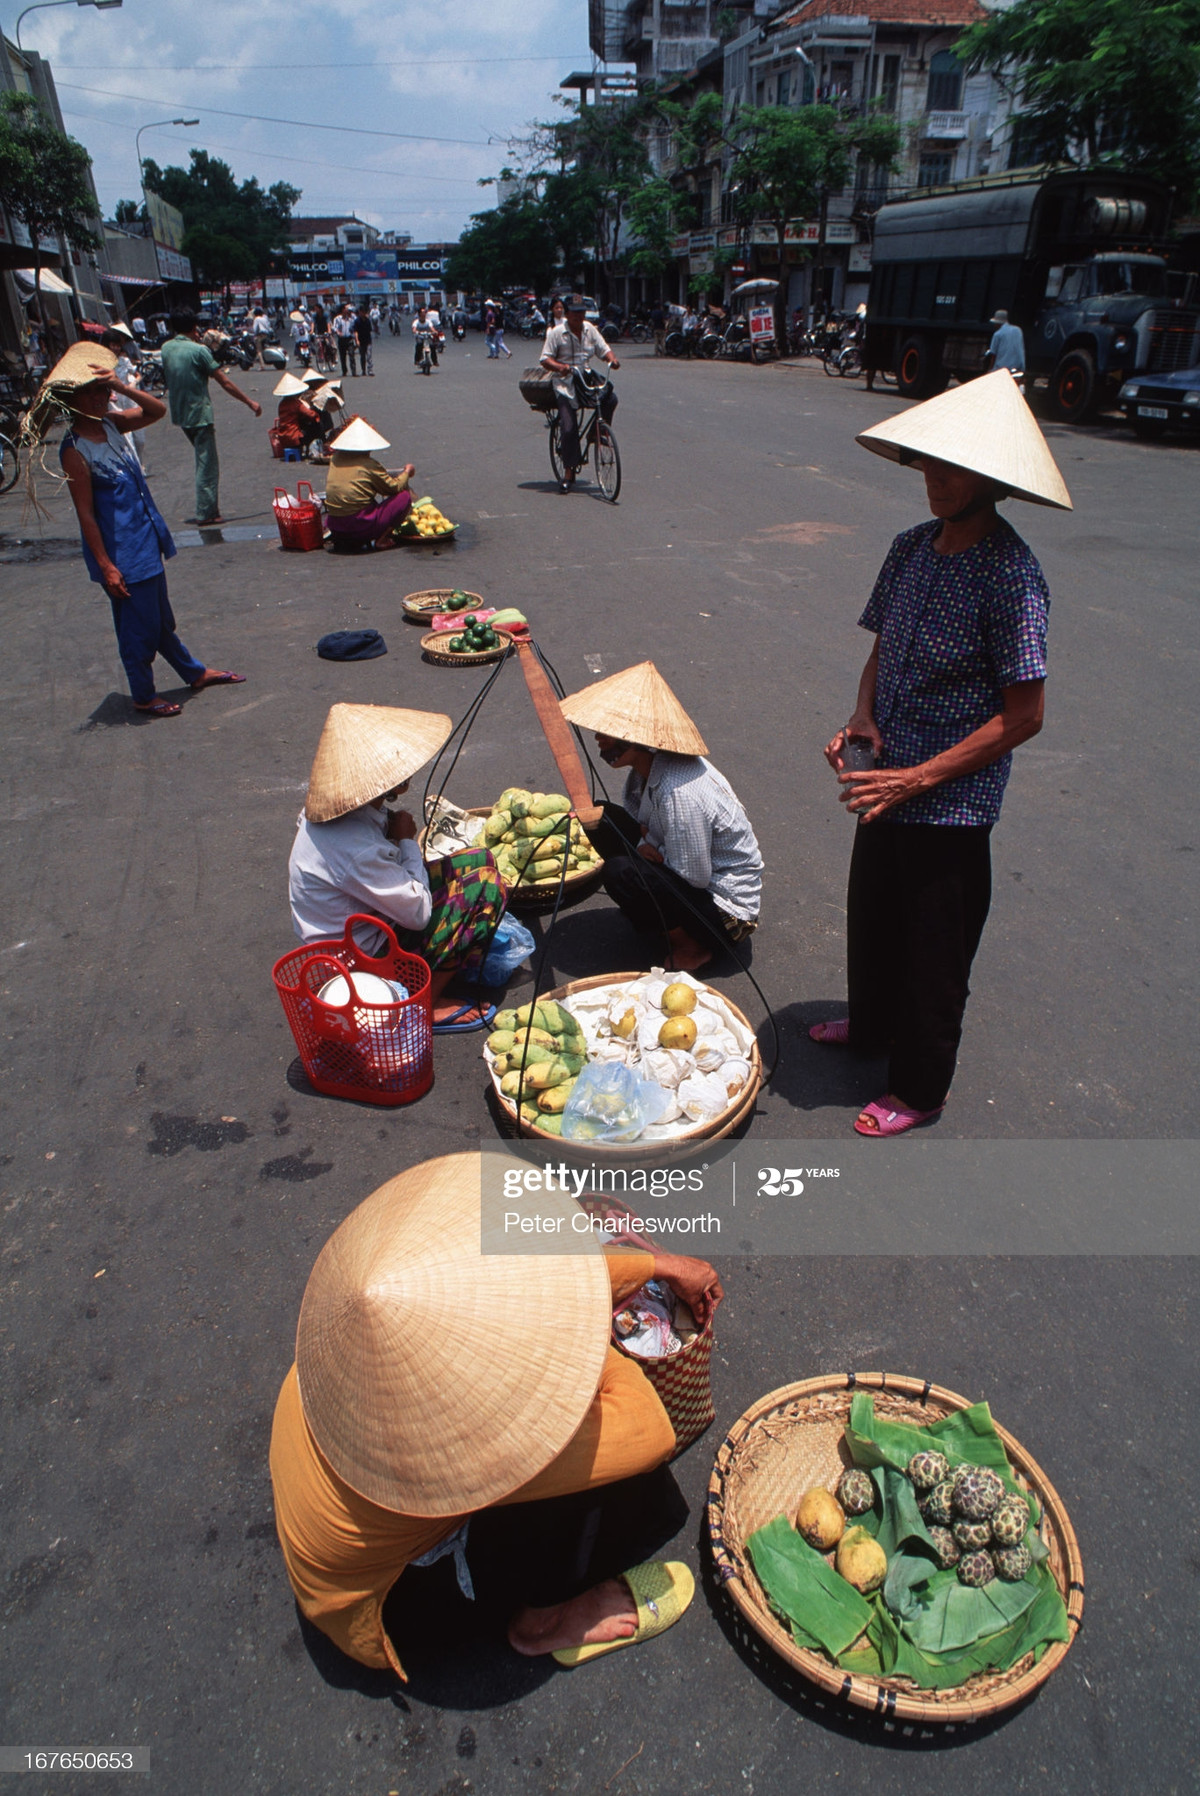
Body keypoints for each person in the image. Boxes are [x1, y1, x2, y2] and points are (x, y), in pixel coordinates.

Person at [270, 1153, 721, 1674]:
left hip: (336, 1558)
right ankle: (545, 1623)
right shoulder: (452, 1435)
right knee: (600, 1478)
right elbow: (648, 1432)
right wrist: (580, 1329)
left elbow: (520, 1272)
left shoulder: (348, 1339)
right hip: (396, 1605)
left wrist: (658, 1266)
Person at [814, 369, 1072, 1137]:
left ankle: (921, 1088)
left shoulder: (1013, 576)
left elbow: (1025, 716)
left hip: (950, 800)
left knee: (935, 951)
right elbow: (882, 650)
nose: (935, 479)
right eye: (928, 462)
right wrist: (861, 718)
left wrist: (919, 778)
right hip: (883, 781)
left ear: (992, 481)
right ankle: (870, 1027)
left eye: (953, 468)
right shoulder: (911, 549)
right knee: (873, 915)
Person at [31, 344, 245, 719]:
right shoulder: (75, 450)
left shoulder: (113, 424)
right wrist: (106, 565)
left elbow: (157, 411)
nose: (103, 397)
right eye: (93, 391)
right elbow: (86, 514)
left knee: (160, 620)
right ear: (73, 399)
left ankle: (194, 672)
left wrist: (122, 386)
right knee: (137, 630)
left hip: (146, 539)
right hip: (121, 552)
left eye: (103, 390)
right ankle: (143, 696)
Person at [288, 705, 507, 1029]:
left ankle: (450, 961)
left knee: (481, 860)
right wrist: (406, 840)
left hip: (364, 923)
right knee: (486, 887)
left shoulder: (333, 814)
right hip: (361, 959)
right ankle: (425, 1006)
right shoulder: (358, 849)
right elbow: (417, 915)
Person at [559, 662, 762, 972]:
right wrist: (645, 844)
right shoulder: (651, 769)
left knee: (620, 873)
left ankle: (693, 946)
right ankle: (658, 915)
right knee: (600, 816)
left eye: (609, 733)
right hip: (690, 876)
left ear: (638, 740)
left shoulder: (679, 792)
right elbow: (645, 823)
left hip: (725, 914)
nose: (600, 739)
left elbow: (694, 876)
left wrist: (650, 852)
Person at [159, 308, 262, 526]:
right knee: (206, 465)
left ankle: (210, 509)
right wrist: (249, 402)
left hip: (180, 413)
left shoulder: (166, 348)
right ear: (194, 328)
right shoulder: (199, 351)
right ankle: (206, 512)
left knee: (203, 460)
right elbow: (224, 382)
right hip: (199, 414)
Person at [540, 294, 620, 494]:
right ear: (567, 314)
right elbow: (545, 359)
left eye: (581, 312)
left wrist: (612, 360)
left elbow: (604, 349)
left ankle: (597, 432)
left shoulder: (590, 329)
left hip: (585, 375)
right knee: (568, 427)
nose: (578, 316)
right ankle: (568, 473)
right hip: (565, 382)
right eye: (575, 313)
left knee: (610, 396)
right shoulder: (557, 333)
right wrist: (561, 367)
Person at [321, 415, 415, 550]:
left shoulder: (335, 459)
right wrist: (407, 472)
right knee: (404, 497)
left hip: (335, 527)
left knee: (366, 501)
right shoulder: (369, 464)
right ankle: (382, 539)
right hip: (359, 527)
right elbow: (394, 488)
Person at [272, 371, 328, 458]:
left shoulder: (282, 404)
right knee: (315, 427)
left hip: (283, 437)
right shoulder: (295, 403)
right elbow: (310, 415)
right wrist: (316, 414)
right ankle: (323, 445)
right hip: (294, 437)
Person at [985, 309, 1026, 383]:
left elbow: (993, 355)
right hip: (1017, 369)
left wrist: (990, 370)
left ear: (998, 323)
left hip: (1001, 369)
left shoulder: (998, 334)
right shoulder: (1018, 330)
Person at [411, 302, 439, 371]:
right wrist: (416, 332)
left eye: (425, 312)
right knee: (419, 346)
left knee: (432, 347)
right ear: (419, 314)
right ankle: (417, 360)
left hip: (427, 336)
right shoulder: (416, 322)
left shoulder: (428, 321)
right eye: (422, 312)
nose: (424, 314)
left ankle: (435, 361)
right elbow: (414, 329)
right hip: (419, 336)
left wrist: (434, 331)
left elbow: (432, 328)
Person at [333, 303, 358, 377]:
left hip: (349, 339)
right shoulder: (337, 319)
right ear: (342, 310)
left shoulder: (350, 319)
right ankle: (344, 371)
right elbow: (334, 327)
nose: (347, 310)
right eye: (345, 308)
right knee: (342, 356)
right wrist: (338, 332)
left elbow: (353, 329)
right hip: (342, 339)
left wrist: (355, 338)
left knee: (351, 355)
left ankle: (354, 371)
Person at [354, 302, 374, 377]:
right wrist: (357, 340)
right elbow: (355, 331)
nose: (363, 313)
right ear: (359, 312)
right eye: (362, 312)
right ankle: (363, 370)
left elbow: (370, 330)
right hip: (361, 340)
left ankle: (370, 370)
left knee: (369, 356)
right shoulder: (357, 321)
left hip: (368, 340)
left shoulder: (368, 320)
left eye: (364, 312)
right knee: (362, 356)